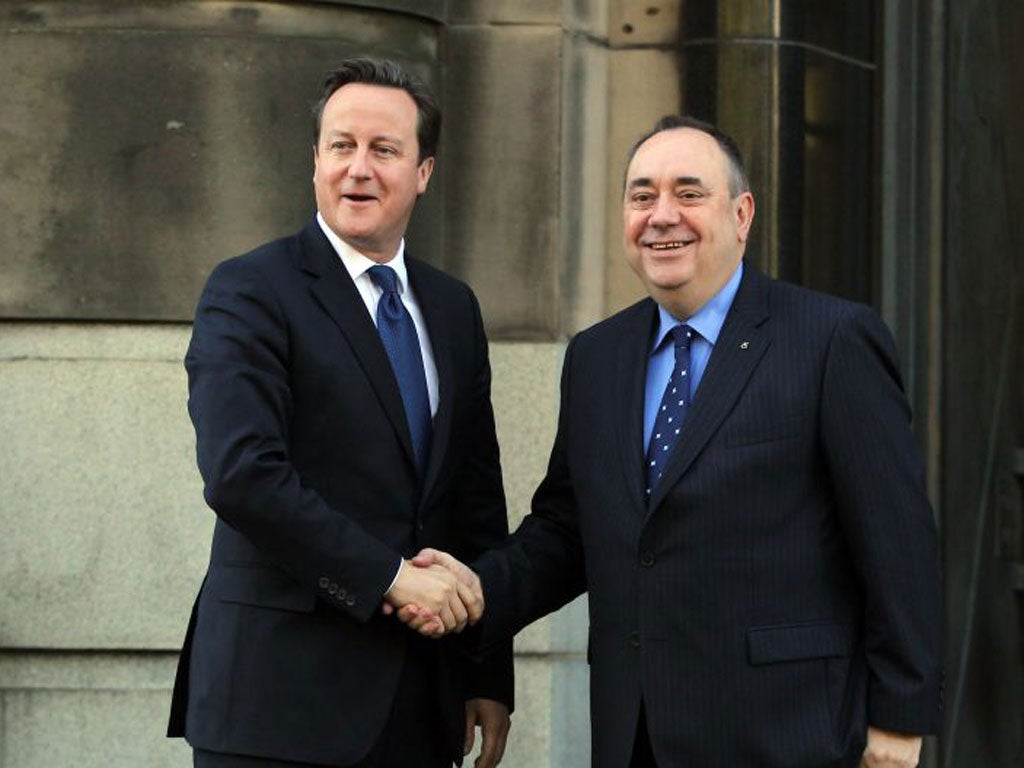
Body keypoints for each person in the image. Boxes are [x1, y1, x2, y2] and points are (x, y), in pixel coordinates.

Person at [408, 116, 942, 767]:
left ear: (741, 214)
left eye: (689, 194)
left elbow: (898, 540)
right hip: (636, 736)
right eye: (641, 196)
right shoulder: (597, 357)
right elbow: (567, 530)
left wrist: (899, 719)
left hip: (791, 732)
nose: (662, 216)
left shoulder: (830, 341)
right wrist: (478, 590)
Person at [167, 57, 513, 768]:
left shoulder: (451, 309)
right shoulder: (251, 290)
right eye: (341, 146)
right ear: (315, 160)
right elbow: (242, 475)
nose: (359, 168)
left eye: (384, 150)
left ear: (423, 172)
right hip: (277, 707)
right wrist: (391, 577)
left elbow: (475, 498)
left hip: (420, 705)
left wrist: (485, 673)